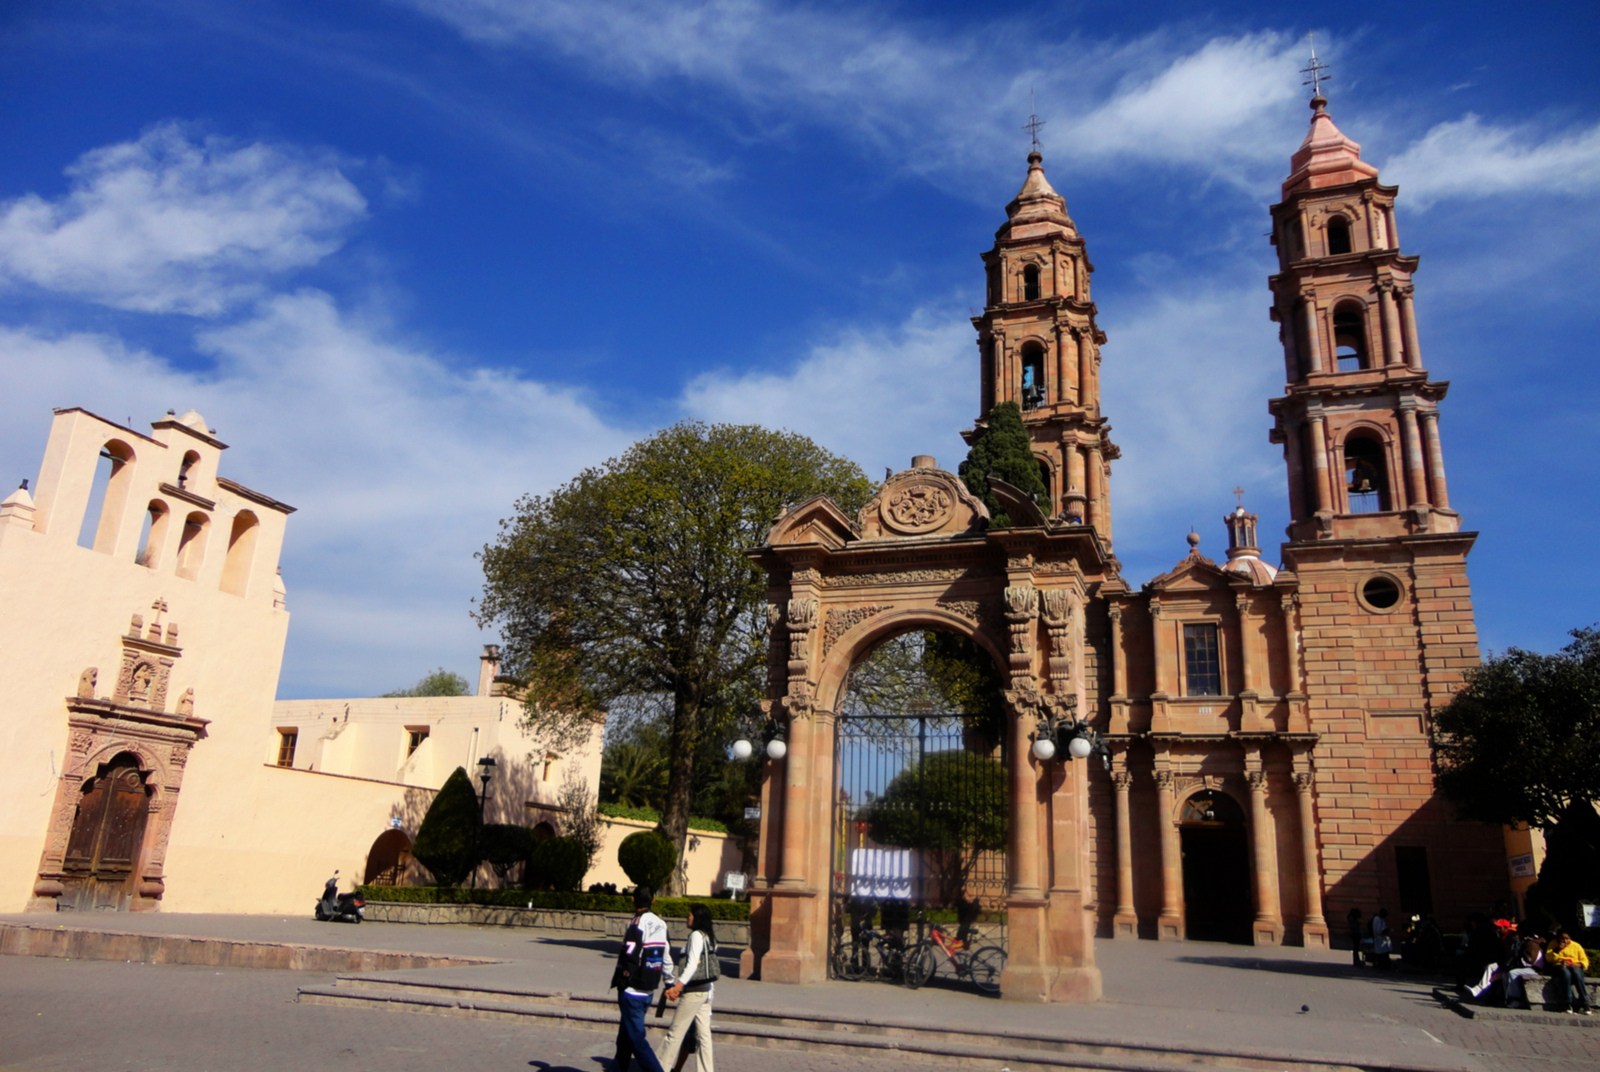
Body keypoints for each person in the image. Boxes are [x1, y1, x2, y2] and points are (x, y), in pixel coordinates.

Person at [610, 886, 669, 1072]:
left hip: (632, 988)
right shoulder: (661, 924)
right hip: (650, 986)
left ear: (633, 900)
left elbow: (630, 956)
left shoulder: (635, 923)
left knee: (635, 1038)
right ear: (653, 901)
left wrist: (623, 980)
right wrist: (670, 980)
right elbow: (666, 954)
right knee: (625, 1034)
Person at [659, 903, 718, 1072]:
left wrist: (677, 987)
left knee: (675, 1033)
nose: (687, 917)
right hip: (707, 990)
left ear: (697, 918)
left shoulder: (696, 936)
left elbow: (692, 966)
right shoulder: (710, 936)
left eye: (690, 915)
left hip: (694, 992)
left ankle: (659, 1067)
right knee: (704, 1036)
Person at [1547, 931, 1592, 1015]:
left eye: (1567, 939)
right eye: (1562, 938)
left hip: (1574, 965)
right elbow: (1549, 958)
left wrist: (1579, 964)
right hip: (1560, 965)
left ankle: (1585, 1003)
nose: (1564, 941)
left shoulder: (1576, 945)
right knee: (1566, 975)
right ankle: (1567, 1003)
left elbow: (1584, 959)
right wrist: (1557, 949)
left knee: (1577, 975)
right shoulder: (1553, 944)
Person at [1503, 936, 1544, 1009]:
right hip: (1532, 968)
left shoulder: (1532, 944)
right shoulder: (1532, 943)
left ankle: (1516, 998)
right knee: (1505, 973)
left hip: (1536, 970)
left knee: (1513, 973)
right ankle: (1506, 998)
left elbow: (1529, 961)